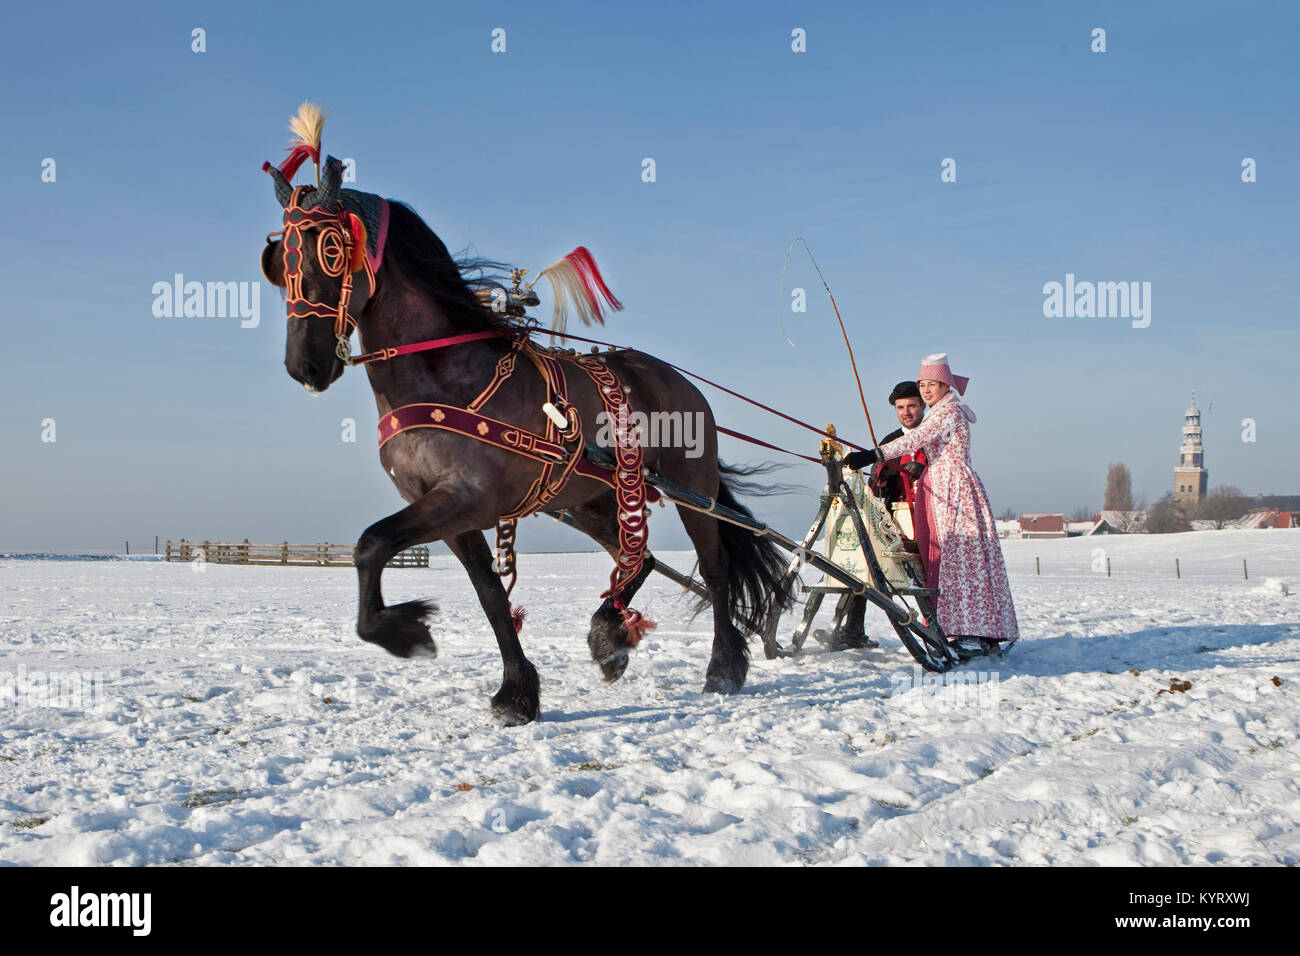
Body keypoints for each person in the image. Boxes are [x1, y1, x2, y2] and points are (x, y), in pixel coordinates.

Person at [845, 353, 1019, 657]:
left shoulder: (947, 412)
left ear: (945, 385)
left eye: (932, 384)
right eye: (923, 384)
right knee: (946, 560)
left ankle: (973, 632)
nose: (926, 390)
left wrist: (872, 455)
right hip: (939, 487)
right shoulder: (943, 409)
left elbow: (916, 438)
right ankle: (957, 627)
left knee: (960, 557)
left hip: (951, 490)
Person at [818, 381, 928, 651]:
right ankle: (852, 629)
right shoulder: (891, 440)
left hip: (926, 517)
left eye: (912, 406)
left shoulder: (932, 434)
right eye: (900, 408)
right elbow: (876, 481)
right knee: (862, 557)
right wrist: (882, 475)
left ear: (923, 406)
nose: (906, 412)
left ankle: (937, 625)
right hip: (894, 516)